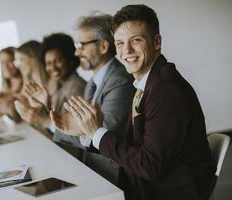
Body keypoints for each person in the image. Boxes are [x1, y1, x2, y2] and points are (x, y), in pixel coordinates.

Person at [55, 5, 215, 200]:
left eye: (136, 40)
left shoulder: (166, 90)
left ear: (156, 42)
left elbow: (149, 165)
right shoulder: (148, 82)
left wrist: (97, 132)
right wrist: (88, 132)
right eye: (120, 43)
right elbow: (135, 146)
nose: (126, 51)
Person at [50, 13, 135, 185]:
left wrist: (58, 125)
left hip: (116, 177)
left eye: (81, 45)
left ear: (103, 46)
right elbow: (86, 130)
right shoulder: (93, 82)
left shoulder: (120, 80)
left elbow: (103, 134)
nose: (76, 51)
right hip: (94, 168)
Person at [15, 33, 86, 144]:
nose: (52, 68)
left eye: (58, 61)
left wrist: (41, 116)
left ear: (70, 60)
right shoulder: (58, 86)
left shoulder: (77, 87)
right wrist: (41, 107)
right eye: (48, 63)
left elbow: (73, 137)